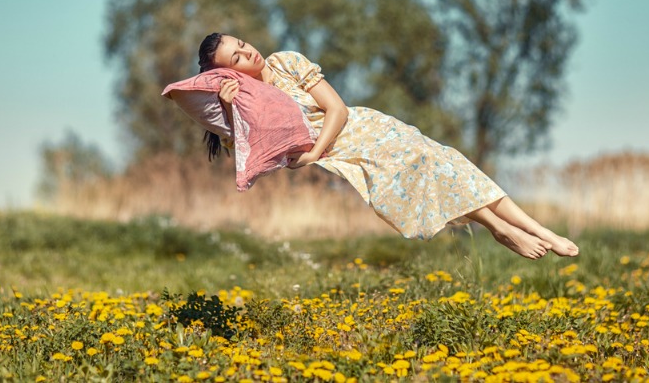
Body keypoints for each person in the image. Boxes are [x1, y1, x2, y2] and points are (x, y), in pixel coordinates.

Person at [197, 32, 579, 260]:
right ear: (228, 72)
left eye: (243, 44)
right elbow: (250, 147)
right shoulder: (250, 99)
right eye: (238, 57)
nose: (249, 53)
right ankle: (501, 228)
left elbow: (337, 109)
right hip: (345, 155)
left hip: (360, 128)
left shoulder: (287, 62)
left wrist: (314, 152)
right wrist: (230, 109)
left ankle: (532, 230)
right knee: (431, 166)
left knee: (443, 159)